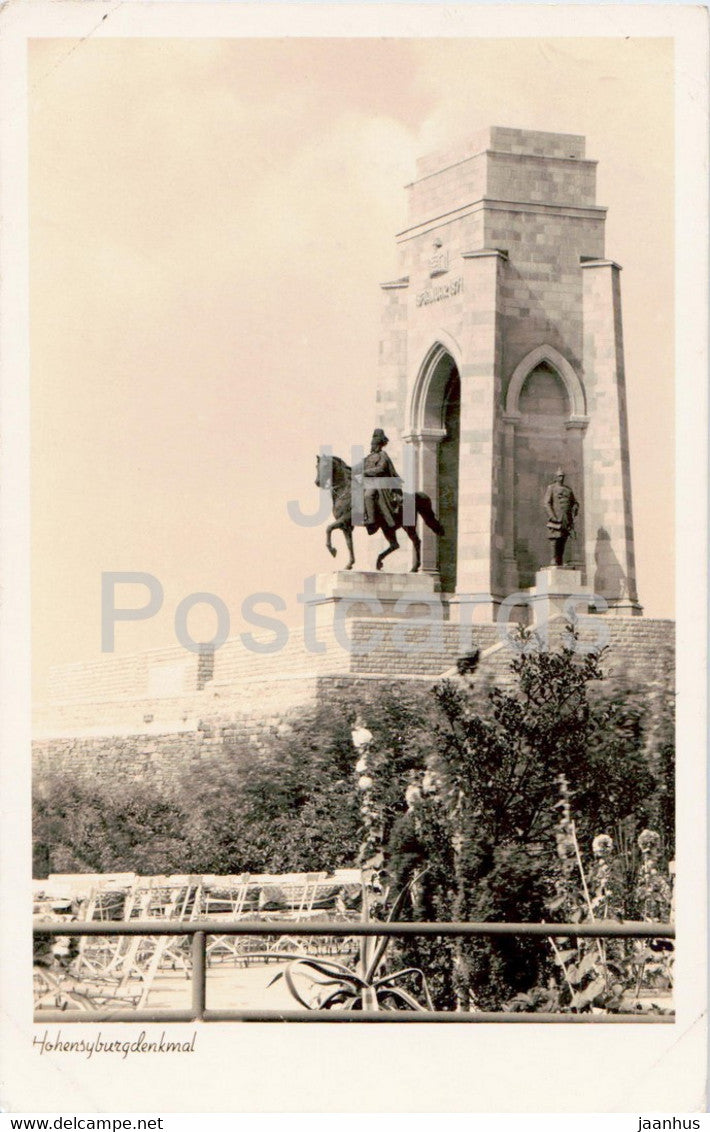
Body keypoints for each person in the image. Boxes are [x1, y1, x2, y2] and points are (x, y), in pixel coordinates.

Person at [354, 428, 402, 532]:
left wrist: (365, 473)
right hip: (370, 482)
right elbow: (359, 466)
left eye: (375, 445)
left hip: (381, 482)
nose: (373, 446)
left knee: (368, 495)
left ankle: (371, 520)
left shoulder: (383, 455)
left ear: (379, 445)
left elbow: (381, 469)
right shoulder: (370, 456)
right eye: (372, 444)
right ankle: (362, 515)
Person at [543, 468, 579, 566]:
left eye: (563, 476)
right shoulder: (551, 488)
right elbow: (547, 503)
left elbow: (574, 502)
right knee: (554, 538)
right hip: (555, 517)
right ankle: (553, 559)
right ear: (555, 477)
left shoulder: (568, 490)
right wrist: (552, 516)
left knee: (563, 539)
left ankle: (560, 560)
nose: (561, 478)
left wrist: (575, 507)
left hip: (565, 518)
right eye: (559, 476)